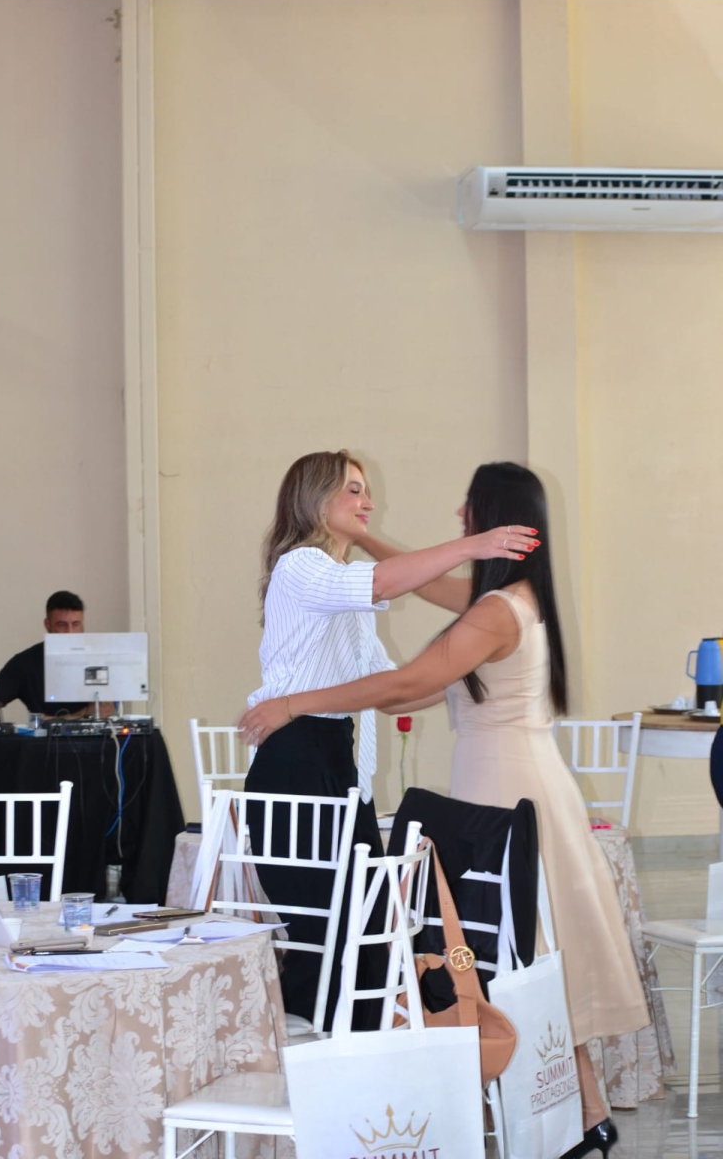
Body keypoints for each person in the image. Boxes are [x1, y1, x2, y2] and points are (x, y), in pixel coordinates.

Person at [240, 461, 648, 1156]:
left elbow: (406, 681)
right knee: (517, 949)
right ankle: (582, 1111)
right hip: (505, 777)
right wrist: (381, 543)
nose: (460, 516)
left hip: (503, 784)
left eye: (470, 510)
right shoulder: (509, 599)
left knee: (508, 949)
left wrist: (294, 702)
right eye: (352, 489)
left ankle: (527, 1109)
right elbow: (413, 604)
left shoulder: (495, 609)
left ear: (496, 521)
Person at [242, 449, 538, 1030]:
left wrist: (481, 683)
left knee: (363, 918)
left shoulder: (345, 598)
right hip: (293, 759)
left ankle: (357, 1045)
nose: (368, 502)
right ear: (315, 499)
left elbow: (394, 690)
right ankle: (319, 1050)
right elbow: (383, 580)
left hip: (332, 756)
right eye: (353, 490)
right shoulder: (300, 565)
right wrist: (472, 547)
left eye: (366, 490)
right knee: (323, 924)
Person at [0, 590, 114, 723]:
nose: (69, 632)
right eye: (61, 625)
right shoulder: (24, 664)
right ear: (48, 625)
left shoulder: (97, 659)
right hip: (43, 750)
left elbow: (106, 710)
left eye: (75, 624)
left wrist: (55, 720)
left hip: (95, 749)